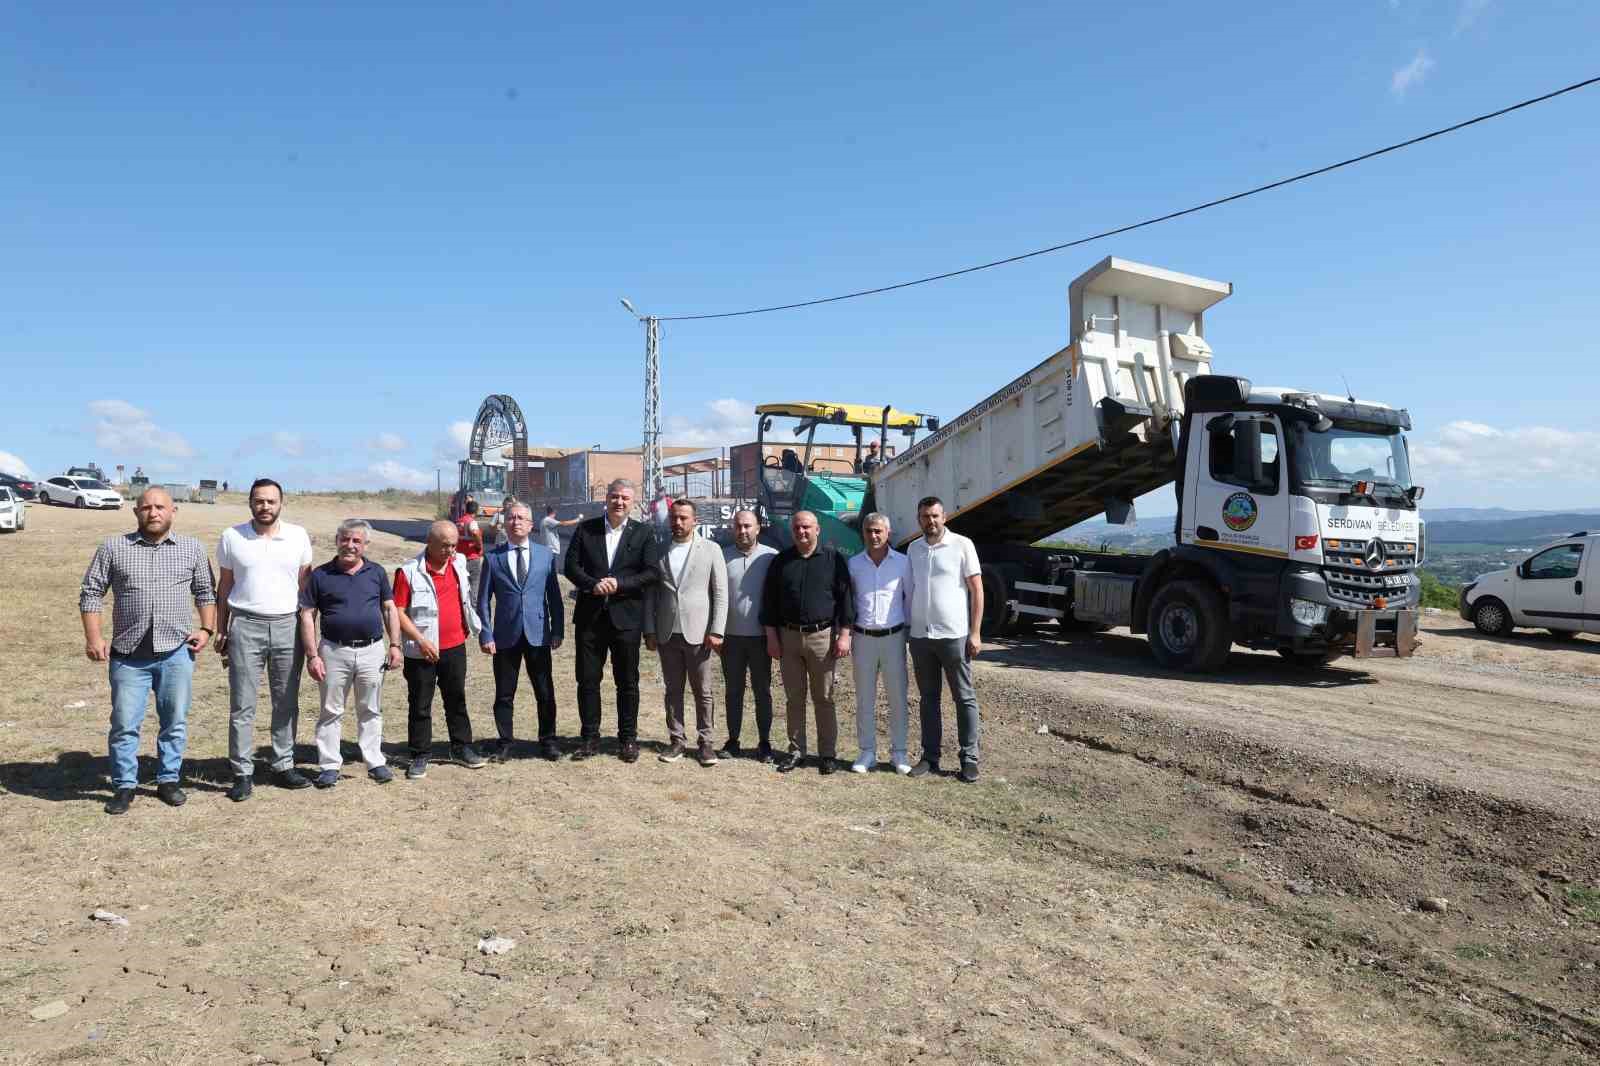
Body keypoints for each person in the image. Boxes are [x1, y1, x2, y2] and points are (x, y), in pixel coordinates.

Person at [78, 487, 217, 815]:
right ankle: (124, 785)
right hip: (128, 657)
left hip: (176, 653)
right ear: (136, 512)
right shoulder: (114, 547)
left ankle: (168, 780)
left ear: (173, 512)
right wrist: (93, 638)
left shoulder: (192, 548)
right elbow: (91, 593)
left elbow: (205, 592)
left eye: (160, 507)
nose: (153, 513)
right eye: (146, 508)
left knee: (174, 721)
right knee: (125, 724)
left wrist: (207, 629)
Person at [214, 478, 314, 802]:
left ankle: (283, 764)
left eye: (271, 501)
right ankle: (242, 773)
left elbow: (305, 587)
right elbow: (224, 587)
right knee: (242, 703)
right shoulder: (232, 537)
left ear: (281, 503)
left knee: (285, 700)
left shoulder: (298, 536)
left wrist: (310, 631)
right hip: (245, 625)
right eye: (259, 501)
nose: (265, 507)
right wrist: (222, 628)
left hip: (288, 626)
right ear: (250, 503)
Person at [297, 520, 401, 788]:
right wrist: (312, 656)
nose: (350, 546)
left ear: (365, 545)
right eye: (345, 539)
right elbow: (308, 615)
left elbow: (389, 609)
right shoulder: (320, 575)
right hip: (333, 651)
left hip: (372, 651)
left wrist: (395, 645)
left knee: (370, 708)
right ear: (337, 540)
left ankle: (375, 762)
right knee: (331, 710)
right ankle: (330, 766)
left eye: (356, 541)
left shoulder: (376, 572)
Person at [563, 478, 660, 763]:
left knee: (627, 682)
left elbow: (652, 572)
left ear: (633, 502)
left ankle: (628, 739)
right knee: (588, 681)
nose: (619, 502)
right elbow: (570, 566)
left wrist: (619, 584)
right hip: (590, 619)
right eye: (615, 497)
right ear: (606, 498)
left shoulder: (644, 533)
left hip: (626, 618)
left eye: (625, 498)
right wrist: (593, 584)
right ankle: (589, 738)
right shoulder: (586, 529)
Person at [760, 510, 854, 775]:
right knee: (794, 698)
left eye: (807, 527)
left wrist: (845, 634)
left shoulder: (834, 560)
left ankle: (827, 754)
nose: (802, 532)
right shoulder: (782, 561)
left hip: (822, 638)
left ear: (817, 530)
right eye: (798, 527)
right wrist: (771, 638)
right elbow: (769, 603)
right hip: (788, 638)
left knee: (824, 697)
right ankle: (796, 751)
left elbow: (846, 599)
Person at [395, 520, 485, 777]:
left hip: (455, 647)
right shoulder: (408, 572)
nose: (450, 550)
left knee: (456, 699)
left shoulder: (459, 563)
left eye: (454, 545)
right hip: (422, 651)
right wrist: (420, 640)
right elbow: (397, 612)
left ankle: (461, 747)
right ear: (429, 543)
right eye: (444, 545)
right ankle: (420, 754)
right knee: (420, 704)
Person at [905, 496, 984, 783]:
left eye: (935, 516)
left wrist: (975, 633)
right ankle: (930, 757)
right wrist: (907, 628)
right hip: (921, 637)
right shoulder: (914, 549)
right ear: (919, 519)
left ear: (945, 517)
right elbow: (910, 591)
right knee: (928, 699)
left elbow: (977, 591)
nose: (931, 521)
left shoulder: (962, 545)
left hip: (954, 636)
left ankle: (969, 758)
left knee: (964, 698)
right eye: (925, 516)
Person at [644, 500, 728, 767]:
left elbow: (720, 593)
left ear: (695, 521)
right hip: (667, 632)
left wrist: (716, 630)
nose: (677, 523)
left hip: (700, 632)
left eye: (683, 518)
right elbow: (651, 593)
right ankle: (677, 740)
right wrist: (649, 629)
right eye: (674, 518)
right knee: (673, 690)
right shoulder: (659, 550)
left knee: (703, 692)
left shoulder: (711, 550)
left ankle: (706, 743)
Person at [478, 501, 564, 761]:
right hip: (505, 635)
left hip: (538, 633)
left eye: (521, 518)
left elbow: (554, 597)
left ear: (530, 525)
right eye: (511, 517)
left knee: (544, 691)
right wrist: (486, 634)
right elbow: (482, 600)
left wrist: (557, 629)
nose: (516, 521)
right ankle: (505, 742)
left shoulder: (546, 555)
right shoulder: (493, 558)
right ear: (505, 523)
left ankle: (548, 740)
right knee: (504, 693)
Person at [847, 512, 911, 774]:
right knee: (865, 698)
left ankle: (899, 753)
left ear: (888, 533)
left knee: (897, 697)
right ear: (863, 533)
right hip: (863, 638)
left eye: (878, 531)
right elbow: (849, 602)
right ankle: (867, 752)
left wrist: (906, 632)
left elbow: (910, 598)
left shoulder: (903, 563)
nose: (873, 536)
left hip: (894, 638)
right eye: (869, 531)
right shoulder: (853, 564)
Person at [719, 509, 778, 762]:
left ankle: (764, 742)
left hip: (761, 638)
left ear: (757, 528)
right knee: (733, 690)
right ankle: (733, 740)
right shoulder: (722, 557)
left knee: (762, 690)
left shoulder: (771, 557)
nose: (742, 531)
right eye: (738, 526)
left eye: (747, 526)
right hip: (730, 638)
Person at [456, 501, 486, 606]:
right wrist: (479, 546)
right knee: (474, 584)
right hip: (472, 557)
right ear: (476, 510)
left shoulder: (459, 521)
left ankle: (462, 605)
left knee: (462, 583)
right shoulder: (472, 522)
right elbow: (475, 533)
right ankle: (473, 607)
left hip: (460, 557)